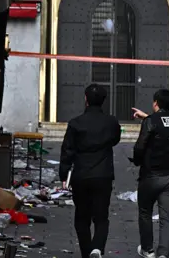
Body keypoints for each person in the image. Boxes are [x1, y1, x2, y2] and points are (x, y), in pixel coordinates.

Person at [59, 84, 121, 258]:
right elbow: (115, 140)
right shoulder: (111, 122)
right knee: (101, 217)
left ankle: (87, 252)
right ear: (103, 101)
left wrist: (64, 174)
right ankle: (97, 247)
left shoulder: (76, 123)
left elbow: (67, 150)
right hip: (103, 175)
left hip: (81, 175)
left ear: (86, 99)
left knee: (82, 217)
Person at [131, 89, 169, 258]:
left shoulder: (151, 121)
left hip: (151, 176)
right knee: (167, 217)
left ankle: (147, 250)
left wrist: (137, 161)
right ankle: (163, 254)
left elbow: (140, 146)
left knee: (145, 212)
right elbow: (166, 129)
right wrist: (147, 117)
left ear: (155, 103)